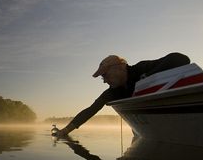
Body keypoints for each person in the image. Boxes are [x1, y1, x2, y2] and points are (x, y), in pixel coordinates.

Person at [57, 52, 190, 136]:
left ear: (120, 67)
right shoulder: (113, 91)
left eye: (105, 75)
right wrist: (65, 131)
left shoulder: (141, 68)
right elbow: (91, 110)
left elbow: (180, 58)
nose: (104, 81)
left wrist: (146, 80)